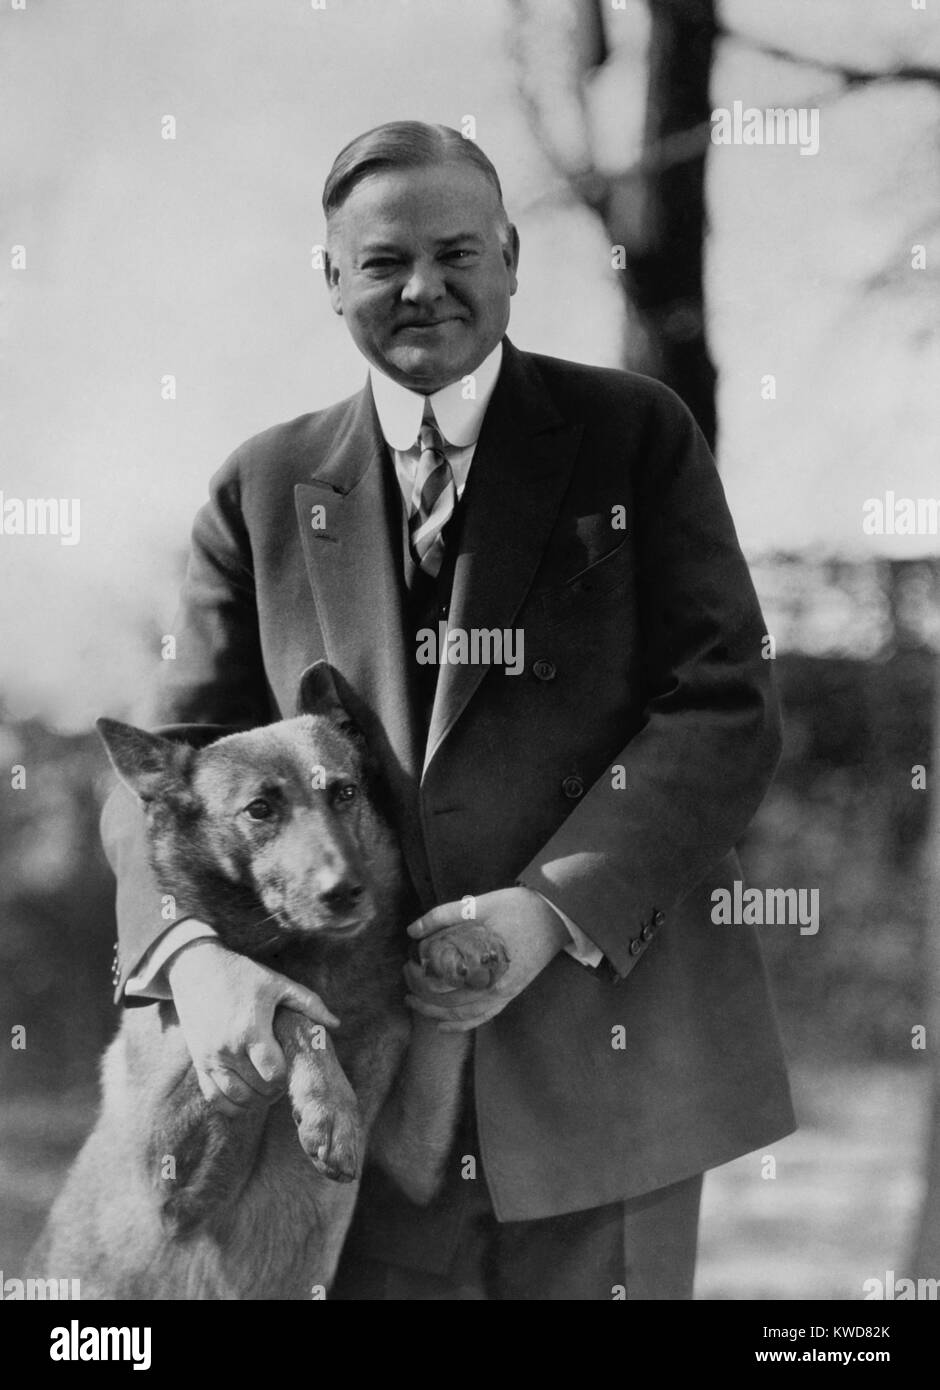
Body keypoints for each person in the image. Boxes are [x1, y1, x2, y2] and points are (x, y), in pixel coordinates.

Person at [102, 120, 795, 1301]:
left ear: (513, 258)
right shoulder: (261, 487)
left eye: (456, 252)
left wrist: (547, 911)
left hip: (606, 1085)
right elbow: (167, 779)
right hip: (355, 1110)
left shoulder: (635, 438)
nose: (423, 287)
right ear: (332, 281)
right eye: (381, 263)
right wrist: (185, 953)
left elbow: (723, 710)